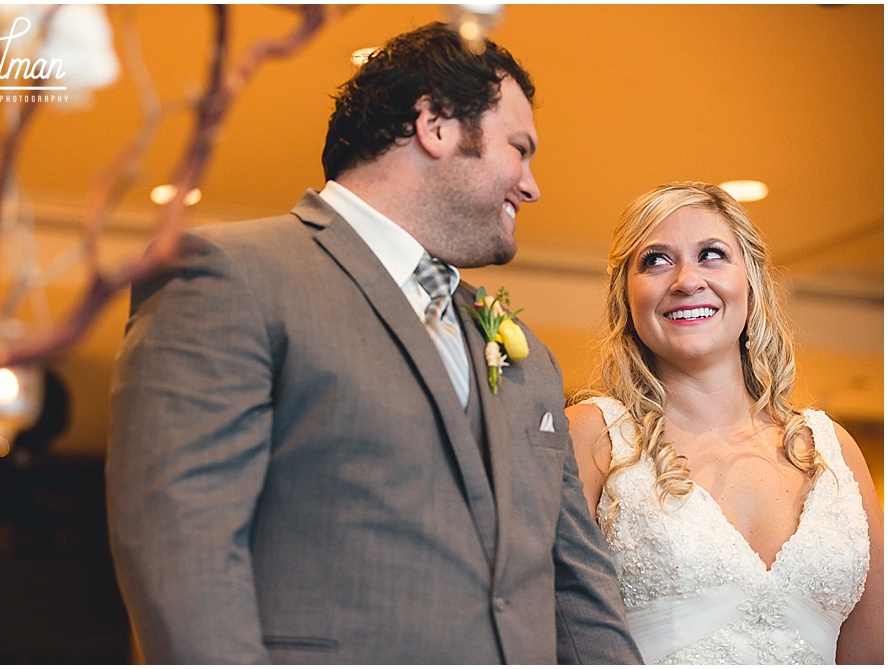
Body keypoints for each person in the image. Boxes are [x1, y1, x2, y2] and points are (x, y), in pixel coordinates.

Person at [106, 22, 641, 664]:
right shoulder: (231, 274)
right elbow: (182, 552)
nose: (532, 185)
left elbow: (576, 589)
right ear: (436, 125)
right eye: (519, 148)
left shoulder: (525, 352)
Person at [566, 181, 883, 664]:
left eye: (712, 254)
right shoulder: (592, 437)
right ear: (624, 296)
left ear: (751, 282)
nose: (686, 280)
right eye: (655, 260)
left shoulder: (831, 451)